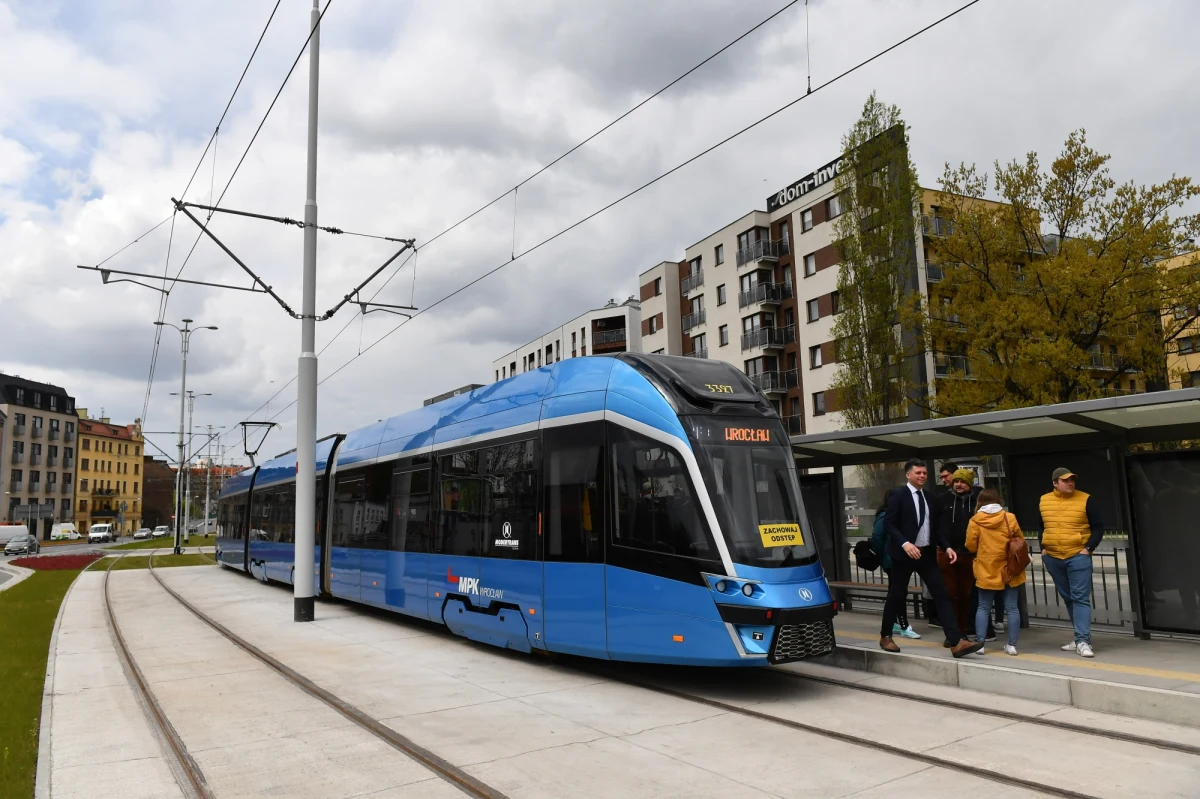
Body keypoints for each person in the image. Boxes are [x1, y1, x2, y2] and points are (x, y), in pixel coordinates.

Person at [879, 459, 984, 657]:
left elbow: (935, 528)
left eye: (925, 473)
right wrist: (905, 543)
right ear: (908, 475)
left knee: (941, 594)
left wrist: (947, 547)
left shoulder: (929, 497)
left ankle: (956, 641)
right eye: (918, 473)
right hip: (904, 553)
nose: (922, 476)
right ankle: (885, 635)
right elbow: (889, 525)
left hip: (926, 553)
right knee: (897, 594)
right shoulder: (899, 495)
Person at [1036, 467, 1104, 658]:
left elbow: (1098, 527)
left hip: (1077, 555)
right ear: (1055, 483)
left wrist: (1087, 549)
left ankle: (1083, 640)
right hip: (1053, 556)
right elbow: (1042, 525)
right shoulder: (1044, 500)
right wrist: (1043, 547)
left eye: (1072, 479)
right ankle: (1079, 637)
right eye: (1065, 480)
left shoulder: (1086, 499)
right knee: (1068, 597)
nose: (1070, 483)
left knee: (1080, 598)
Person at [966, 488, 1025, 656]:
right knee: (1012, 608)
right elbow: (1020, 539)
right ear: (998, 500)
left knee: (983, 607)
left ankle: (981, 644)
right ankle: (1012, 645)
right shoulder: (1009, 517)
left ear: (980, 502)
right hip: (1010, 568)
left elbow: (970, 545)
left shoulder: (975, 521)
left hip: (986, 567)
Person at [937, 468, 982, 638]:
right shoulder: (943, 500)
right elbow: (936, 527)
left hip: (969, 555)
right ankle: (951, 634)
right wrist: (945, 546)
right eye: (956, 481)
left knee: (965, 595)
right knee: (949, 594)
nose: (958, 484)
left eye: (962, 481)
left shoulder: (977, 501)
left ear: (969, 483)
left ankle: (962, 632)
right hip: (946, 553)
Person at [870, 490, 920, 639]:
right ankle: (904, 625)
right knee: (898, 592)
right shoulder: (885, 515)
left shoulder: (897, 516)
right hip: (891, 560)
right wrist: (883, 555)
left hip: (897, 559)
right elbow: (877, 537)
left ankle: (893, 623)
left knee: (897, 591)